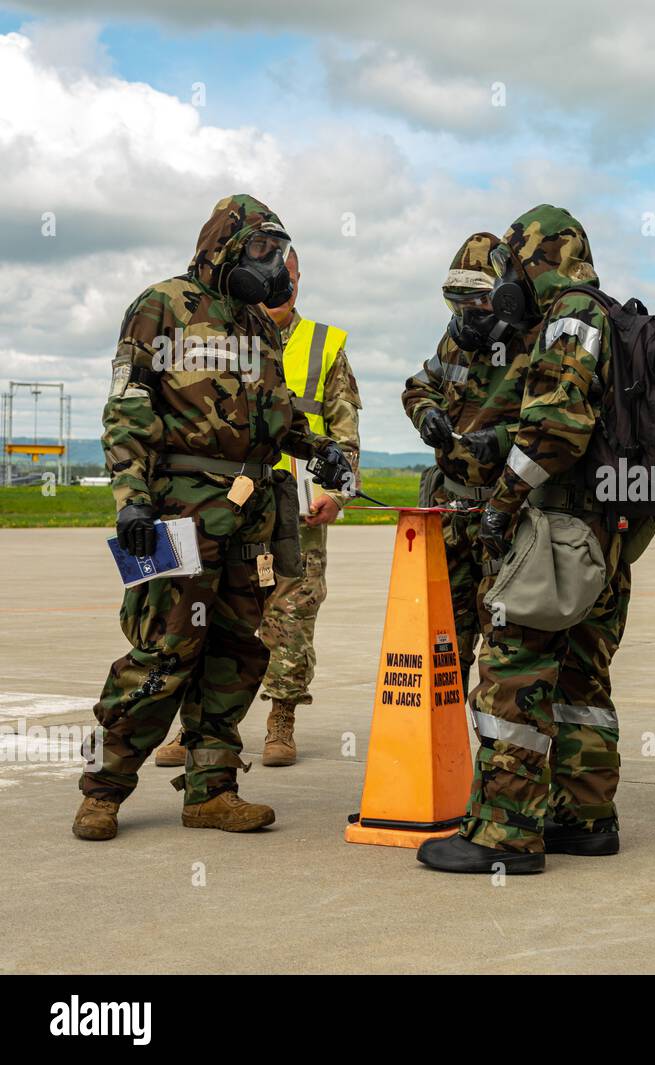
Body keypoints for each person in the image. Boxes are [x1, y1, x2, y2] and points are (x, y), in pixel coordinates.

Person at [73, 194, 350, 841]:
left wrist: (321, 449)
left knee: (235, 651)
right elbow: (128, 410)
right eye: (258, 250)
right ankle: (103, 789)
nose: (270, 264)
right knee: (165, 650)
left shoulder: (258, 325)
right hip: (176, 513)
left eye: (275, 252)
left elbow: (278, 412)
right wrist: (131, 499)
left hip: (246, 517)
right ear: (221, 244)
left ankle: (212, 790)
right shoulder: (161, 307)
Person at [417, 205, 631, 875]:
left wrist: (500, 506)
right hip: (601, 531)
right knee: (579, 678)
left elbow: (555, 430)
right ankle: (585, 817)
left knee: (513, 676)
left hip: (551, 527)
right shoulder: (611, 316)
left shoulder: (568, 317)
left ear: (536, 259)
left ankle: (504, 834)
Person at [153, 248, 362, 768]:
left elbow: (344, 431)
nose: (280, 285)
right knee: (207, 609)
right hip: (224, 506)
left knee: (292, 616)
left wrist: (337, 493)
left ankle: (280, 720)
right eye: (272, 275)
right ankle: (195, 727)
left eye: (288, 277)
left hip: (296, 512)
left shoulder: (325, 345)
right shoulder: (218, 331)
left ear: (298, 281)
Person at [401, 231, 531, 701]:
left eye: (476, 302)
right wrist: (426, 414)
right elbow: (419, 386)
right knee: (442, 644)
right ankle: (443, 757)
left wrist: (499, 441)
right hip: (452, 513)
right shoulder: (453, 343)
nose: (465, 316)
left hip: (507, 519)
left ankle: (501, 763)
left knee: (507, 649)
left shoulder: (536, 343)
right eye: (455, 303)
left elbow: (561, 428)